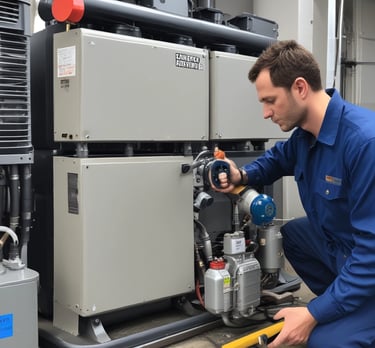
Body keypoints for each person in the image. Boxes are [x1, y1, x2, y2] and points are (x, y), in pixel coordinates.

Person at [211, 40, 375, 347]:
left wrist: (313, 314)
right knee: (296, 235)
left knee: (322, 342)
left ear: (300, 88)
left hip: (369, 264)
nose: (265, 113)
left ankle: (354, 315)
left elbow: (372, 256)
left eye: (270, 100)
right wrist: (241, 175)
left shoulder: (365, 144)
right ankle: (346, 309)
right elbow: (277, 160)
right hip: (346, 251)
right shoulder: (305, 136)